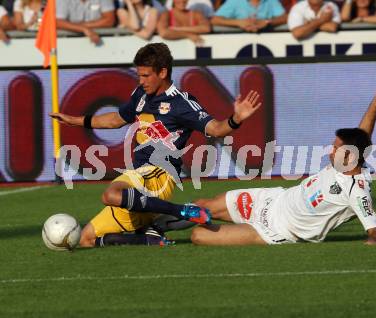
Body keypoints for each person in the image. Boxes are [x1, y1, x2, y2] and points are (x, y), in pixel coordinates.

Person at [50, 42, 261, 248]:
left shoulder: (181, 103)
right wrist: (75, 121)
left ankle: (180, 211)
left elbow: (216, 129)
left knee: (110, 195)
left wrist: (237, 118)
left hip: (159, 176)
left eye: (145, 75)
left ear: (162, 72)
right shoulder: (141, 95)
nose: (141, 81)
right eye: (139, 75)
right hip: (139, 186)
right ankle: (146, 238)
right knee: (85, 239)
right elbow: (116, 119)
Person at [189, 76, 376, 246]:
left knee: (198, 235)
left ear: (350, 155)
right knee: (202, 206)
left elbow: (375, 230)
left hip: (275, 231)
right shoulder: (351, 160)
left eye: (336, 148)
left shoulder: (357, 189)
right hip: (270, 200)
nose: (330, 151)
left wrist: (375, 239)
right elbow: (363, 134)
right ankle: (154, 226)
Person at [211, 0, 287, 33]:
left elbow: (285, 17)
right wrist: (238, 22)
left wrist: (267, 22)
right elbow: (215, 20)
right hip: (238, 45)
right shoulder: (234, 1)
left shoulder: (271, 1)